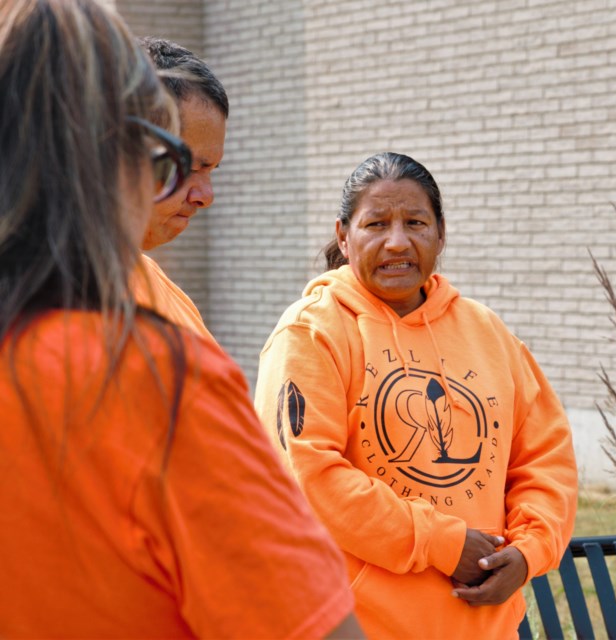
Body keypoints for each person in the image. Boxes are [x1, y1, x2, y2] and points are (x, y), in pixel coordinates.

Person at [0, 1, 362, 637]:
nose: (202, 194)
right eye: (176, 160)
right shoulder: (157, 377)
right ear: (115, 155)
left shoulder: (160, 311)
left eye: (212, 169)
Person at [254, 151, 578, 639]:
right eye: (376, 224)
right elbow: (309, 478)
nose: (397, 242)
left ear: (441, 233)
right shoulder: (310, 333)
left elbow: (544, 459)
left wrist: (529, 551)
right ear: (344, 236)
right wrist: (443, 543)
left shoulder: (487, 332)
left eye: (415, 222)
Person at [133, 36, 228, 342]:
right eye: (189, 166)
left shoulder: (164, 292)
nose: (206, 196)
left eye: (211, 170)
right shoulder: (43, 298)